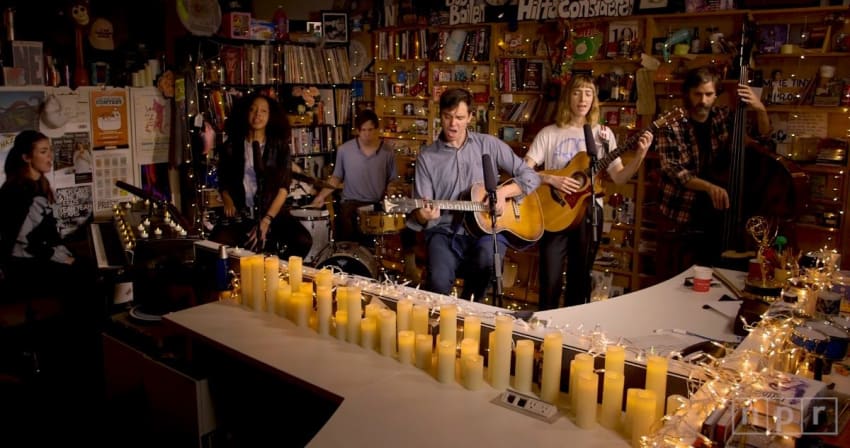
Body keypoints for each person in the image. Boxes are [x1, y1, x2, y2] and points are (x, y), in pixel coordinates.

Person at [524, 74, 653, 310]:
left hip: (589, 214)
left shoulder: (603, 135)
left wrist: (640, 156)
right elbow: (524, 172)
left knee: (579, 280)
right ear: (567, 97)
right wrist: (552, 179)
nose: (582, 99)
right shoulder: (549, 133)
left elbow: (619, 177)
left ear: (594, 98)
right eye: (576, 92)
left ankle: (573, 335)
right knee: (550, 279)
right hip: (555, 212)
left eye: (588, 93)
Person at [406, 88, 540, 301]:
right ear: (440, 115)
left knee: (487, 261)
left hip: (486, 229)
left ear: (470, 117)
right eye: (447, 116)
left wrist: (503, 193)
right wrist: (423, 216)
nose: (453, 124)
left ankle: (471, 308)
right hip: (444, 231)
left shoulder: (489, 145)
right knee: (438, 283)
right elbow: (421, 214)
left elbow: (531, 177)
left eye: (459, 117)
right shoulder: (427, 157)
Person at [655, 66, 771, 279]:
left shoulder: (722, 117)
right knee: (676, 279)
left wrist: (760, 109)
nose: (703, 100)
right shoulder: (671, 124)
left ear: (716, 95)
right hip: (681, 213)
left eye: (709, 94)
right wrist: (708, 187)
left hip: (717, 214)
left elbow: (761, 138)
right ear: (687, 94)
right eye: (698, 94)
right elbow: (673, 170)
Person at [214, 93, 312, 257]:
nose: (257, 115)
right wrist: (227, 197)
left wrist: (266, 220)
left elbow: (283, 189)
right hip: (242, 214)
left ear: (270, 116)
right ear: (246, 113)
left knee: (303, 241)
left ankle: (278, 273)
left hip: (272, 213)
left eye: (263, 111)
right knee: (215, 247)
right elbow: (223, 180)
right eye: (253, 110)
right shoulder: (230, 146)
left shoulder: (280, 148)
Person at [309, 109, 396, 245]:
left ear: (377, 129)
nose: (367, 134)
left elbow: (393, 179)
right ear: (358, 131)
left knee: (373, 247)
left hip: (375, 205)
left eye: (371, 130)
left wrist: (392, 191)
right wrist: (321, 196)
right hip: (350, 204)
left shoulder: (387, 151)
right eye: (363, 130)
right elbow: (336, 177)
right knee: (348, 245)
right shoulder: (344, 150)